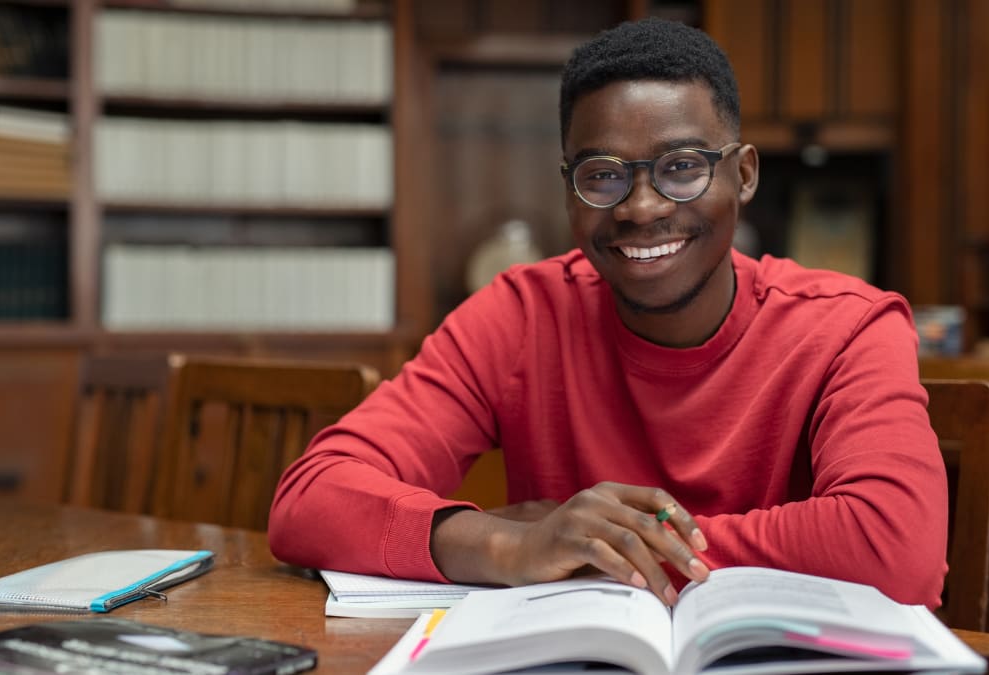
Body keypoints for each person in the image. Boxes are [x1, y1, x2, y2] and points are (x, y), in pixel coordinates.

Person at [268, 17, 947, 609]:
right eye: (603, 175)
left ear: (742, 175)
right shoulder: (520, 314)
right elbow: (311, 499)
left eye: (682, 167)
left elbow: (896, 548)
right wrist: (513, 545)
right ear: (568, 187)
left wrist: (607, 547)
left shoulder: (849, 326)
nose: (640, 207)